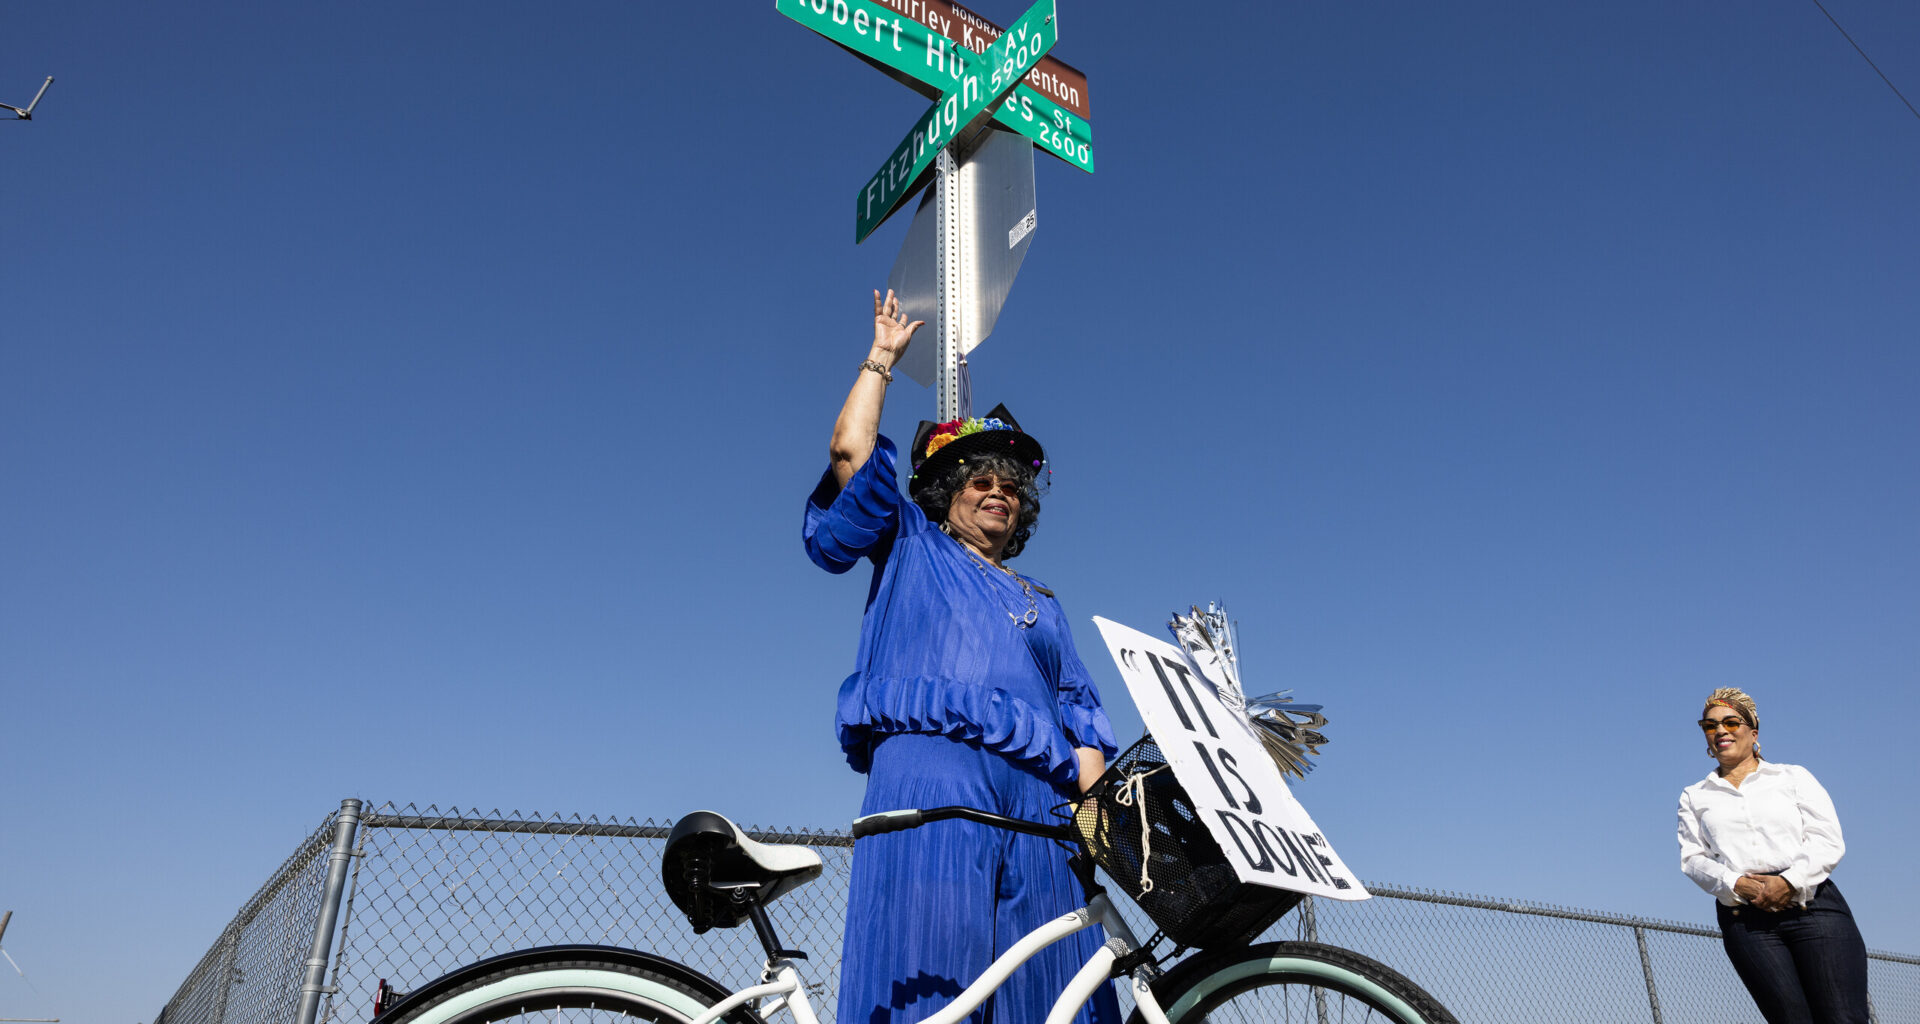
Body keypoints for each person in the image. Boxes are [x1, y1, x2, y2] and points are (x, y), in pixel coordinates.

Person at [803, 289, 1122, 1024]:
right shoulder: (911, 543)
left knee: (1061, 986)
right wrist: (881, 359)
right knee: (929, 979)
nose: (997, 494)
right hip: (935, 774)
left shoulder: (1045, 599)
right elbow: (850, 454)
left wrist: (1090, 802)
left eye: (1011, 487)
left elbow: (1084, 716)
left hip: (1043, 804)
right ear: (947, 491)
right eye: (980, 480)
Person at [1676, 687, 1870, 1024]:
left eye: (1730, 722)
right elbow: (1693, 859)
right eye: (1709, 726)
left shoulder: (1793, 777)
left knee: (1843, 1017)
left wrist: (1788, 882)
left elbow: (1827, 840)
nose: (1720, 731)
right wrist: (1737, 883)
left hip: (1814, 907)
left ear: (1754, 732)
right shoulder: (1694, 796)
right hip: (1746, 922)